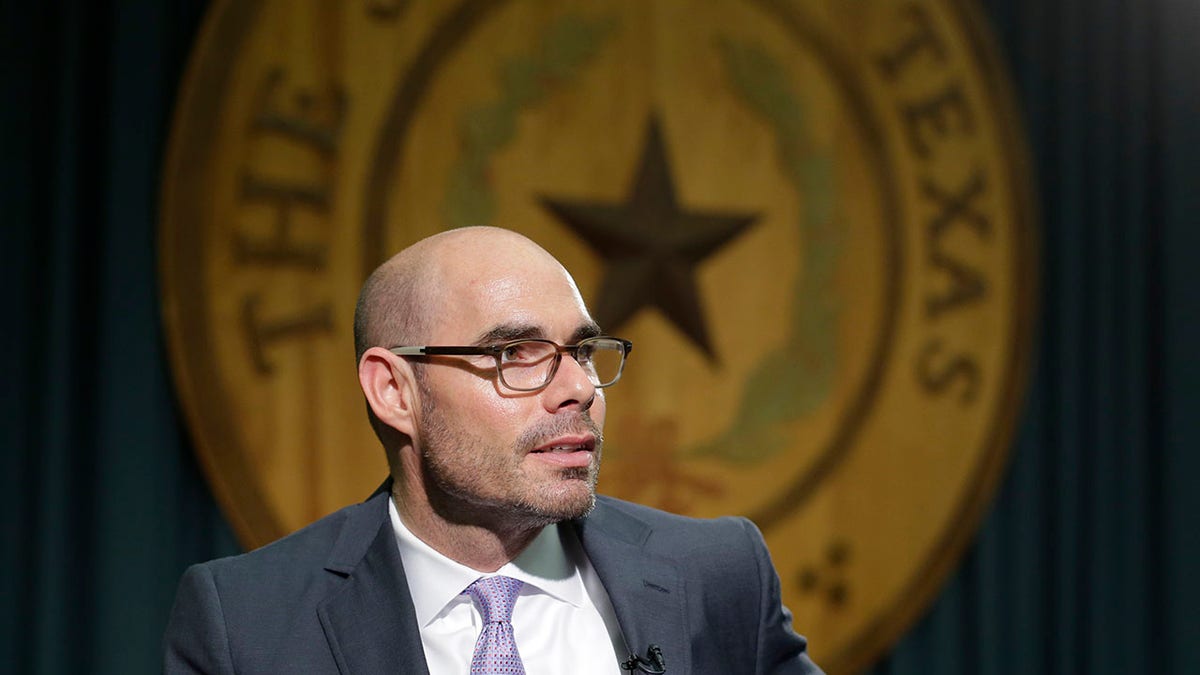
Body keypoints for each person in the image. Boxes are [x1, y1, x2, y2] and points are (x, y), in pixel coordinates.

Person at [163, 226, 822, 674]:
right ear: (393, 389)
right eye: (515, 353)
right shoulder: (249, 626)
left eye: (583, 351)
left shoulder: (716, 577)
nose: (578, 388)